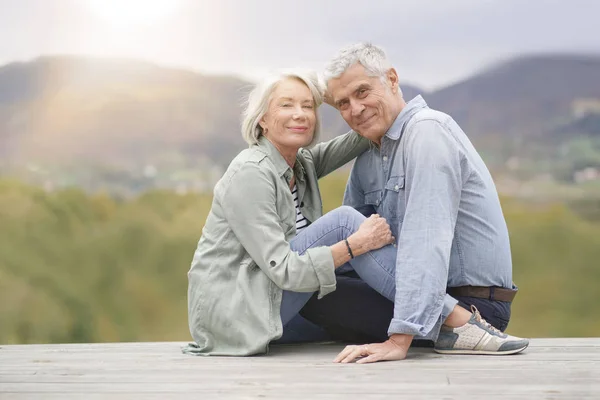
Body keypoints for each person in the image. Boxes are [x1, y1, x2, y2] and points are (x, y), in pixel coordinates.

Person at [184, 69, 428, 356]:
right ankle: (444, 311)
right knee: (345, 221)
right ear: (262, 118)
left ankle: (431, 322)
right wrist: (355, 245)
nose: (300, 114)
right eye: (286, 105)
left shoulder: (300, 164)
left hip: (277, 304)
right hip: (237, 315)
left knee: (367, 317)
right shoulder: (251, 173)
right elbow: (284, 270)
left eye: (308, 106)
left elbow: (363, 132)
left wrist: (339, 95)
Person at [317, 43, 529, 364]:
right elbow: (354, 252)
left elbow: (425, 240)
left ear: (391, 79)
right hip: (403, 293)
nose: (355, 109)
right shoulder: (368, 157)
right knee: (313, 287)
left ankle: (458, 326)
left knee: (314, 287)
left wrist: (398, 339)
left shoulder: (428, 133)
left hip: (473, 306)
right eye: (343, 103)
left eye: (362, 92)